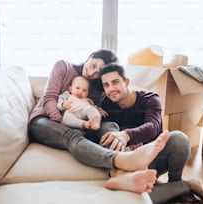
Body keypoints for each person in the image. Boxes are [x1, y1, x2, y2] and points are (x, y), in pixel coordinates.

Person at [28, 49, 169, 194]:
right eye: (93, 65)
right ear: (90, 56)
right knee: (72, 135)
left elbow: (94, 113)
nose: (91, 73)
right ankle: (125, 160)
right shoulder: (63, 66)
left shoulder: (97, 89)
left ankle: (121, 176)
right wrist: (61, 121)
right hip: (43, 121)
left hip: (77, 124)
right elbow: (49, 98)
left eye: (97, 73)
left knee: (110, 126)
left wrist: (124, 133)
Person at [98, 63, 203, 203]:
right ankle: (183, 187)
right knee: (129, 196)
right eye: (106, 85)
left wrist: (128, 135)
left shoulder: (150, 99)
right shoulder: (107, 105)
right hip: (130, 165)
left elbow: (153, 126)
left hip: (155, 158)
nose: (111, 89)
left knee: (180, 139)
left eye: (115, 82)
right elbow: (110, 131)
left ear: (127, 82)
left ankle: (175, 181)